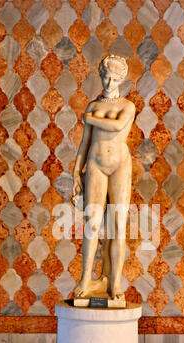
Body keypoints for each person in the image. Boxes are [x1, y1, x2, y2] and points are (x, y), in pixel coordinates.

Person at [72, 55, 135, 302]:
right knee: (93, 224)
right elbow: (85, 143)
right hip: (96, 164)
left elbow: (117, 127)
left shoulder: (127, 106)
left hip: (120, 165)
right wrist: (76, 171)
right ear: (100, 75)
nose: (110, 82)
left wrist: (90, 118)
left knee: (119, 226)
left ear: (122, 79)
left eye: (115, 78)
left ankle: (115, 282)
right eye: (106, 76)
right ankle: (86, 279)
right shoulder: (93, 105)